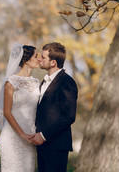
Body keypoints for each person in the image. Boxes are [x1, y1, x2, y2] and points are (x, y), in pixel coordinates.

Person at [30, 42, 78, 172]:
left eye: (43, 57)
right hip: (42, 146)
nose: (39, 59)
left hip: (56, 146)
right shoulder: (44, 82)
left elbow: (69, 116)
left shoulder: (67, 82)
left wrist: (44, 135)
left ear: (53, 63)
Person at [0, 43, 40, 172]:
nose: (39, 59)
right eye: (36, 56)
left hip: (31, 137)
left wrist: (30, 135)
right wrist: (22, 134)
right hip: (12, 137)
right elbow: (6, 112)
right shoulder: (11, 82)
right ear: (26, 60)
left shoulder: (36, 82)